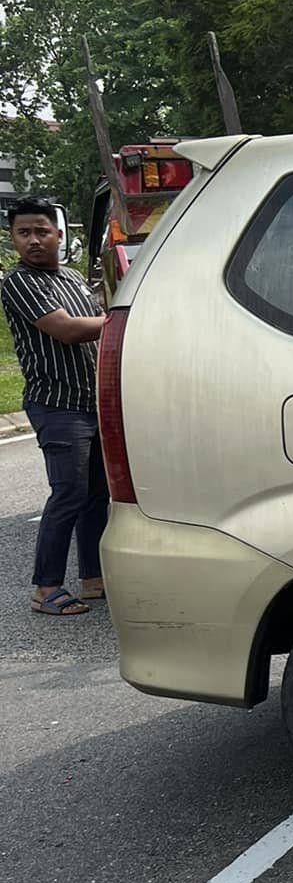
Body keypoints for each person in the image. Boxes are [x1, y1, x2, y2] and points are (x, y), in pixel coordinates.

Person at [1, 198, 109, 615]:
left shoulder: (72, 279)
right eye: (23, 233)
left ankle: (93, 579)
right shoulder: (19, 282)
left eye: (41, 232)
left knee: (97, 495)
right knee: (69, 494)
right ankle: (45, 588)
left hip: (93, 402)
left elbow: (96, 322)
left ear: (59, 235)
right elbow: (66, 330)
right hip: (58, 406)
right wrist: (123, 320)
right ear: (13, 238)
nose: (33, 241)